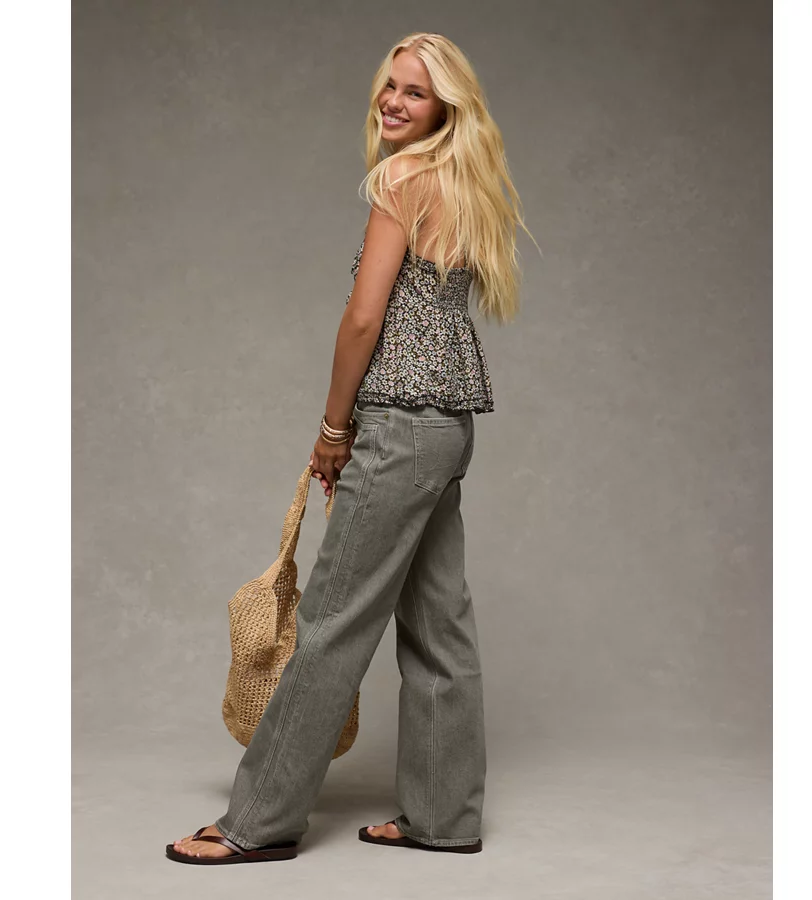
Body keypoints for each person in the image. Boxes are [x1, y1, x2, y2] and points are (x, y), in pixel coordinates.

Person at [166, 30, 535, 865]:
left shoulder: (400, 177)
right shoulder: (465, 182)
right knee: (440, 624)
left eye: (415, 91)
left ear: (446, 107)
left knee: (331, 624)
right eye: (390, 85)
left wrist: (334, 430)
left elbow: (364, 319)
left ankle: (257, 823)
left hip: (398, 425)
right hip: (447, 428)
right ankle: (444, 817)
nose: (394, 101)